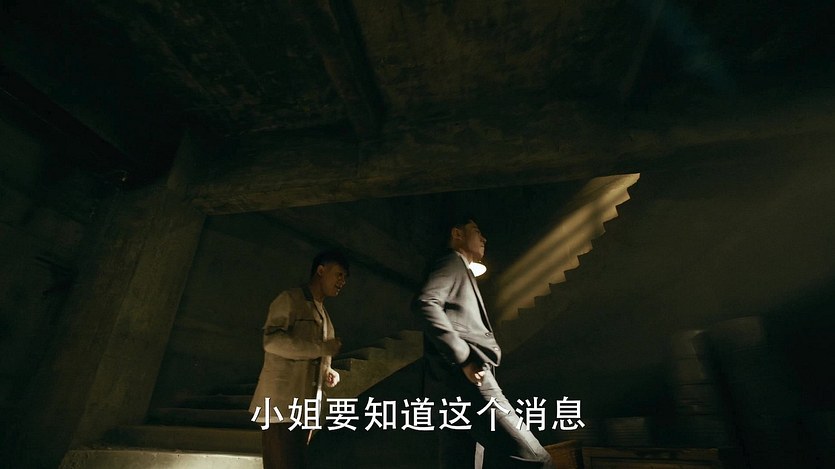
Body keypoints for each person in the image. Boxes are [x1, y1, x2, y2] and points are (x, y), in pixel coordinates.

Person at [413, 217, 552, 469]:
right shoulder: (451, 262)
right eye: (476, 231)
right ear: (457, 234)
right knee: (536, 459)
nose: (484, 238)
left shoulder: (458, 268)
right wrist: (465, 357)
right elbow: (426, 303)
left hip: (449, 390)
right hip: (468, 384)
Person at [249, 249, 349, 469]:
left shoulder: (324, 314)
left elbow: (314, 355)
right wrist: (322, 348)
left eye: (345, 278)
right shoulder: (290, 299)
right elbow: (272, 342)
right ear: (321, 270)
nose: (342, 282)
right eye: (339, 274)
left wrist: (327, 370)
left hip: (305, 411)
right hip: (281, 408)